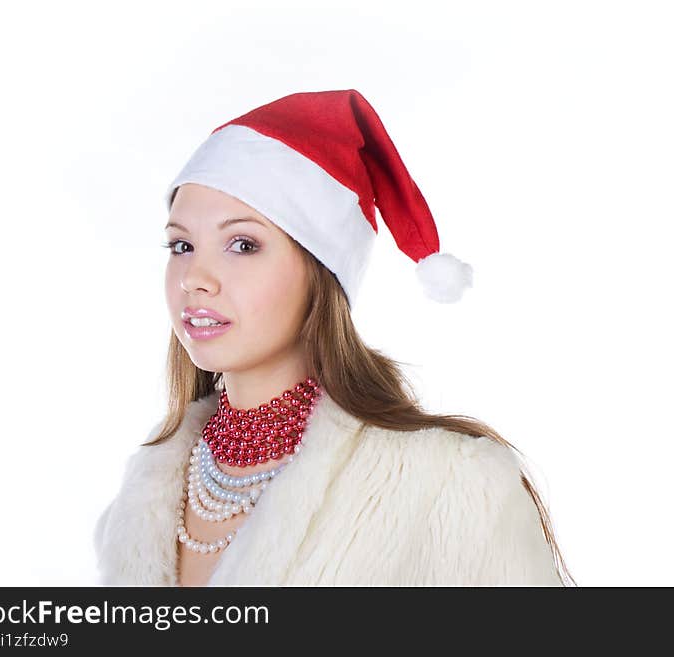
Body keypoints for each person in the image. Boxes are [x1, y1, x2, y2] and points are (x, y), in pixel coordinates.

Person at [93, 89, 575, 586]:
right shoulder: (142, 498)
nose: (195, 277)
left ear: (322, 270)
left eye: (242, 244)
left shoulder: (450, 485)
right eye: (181, 244)